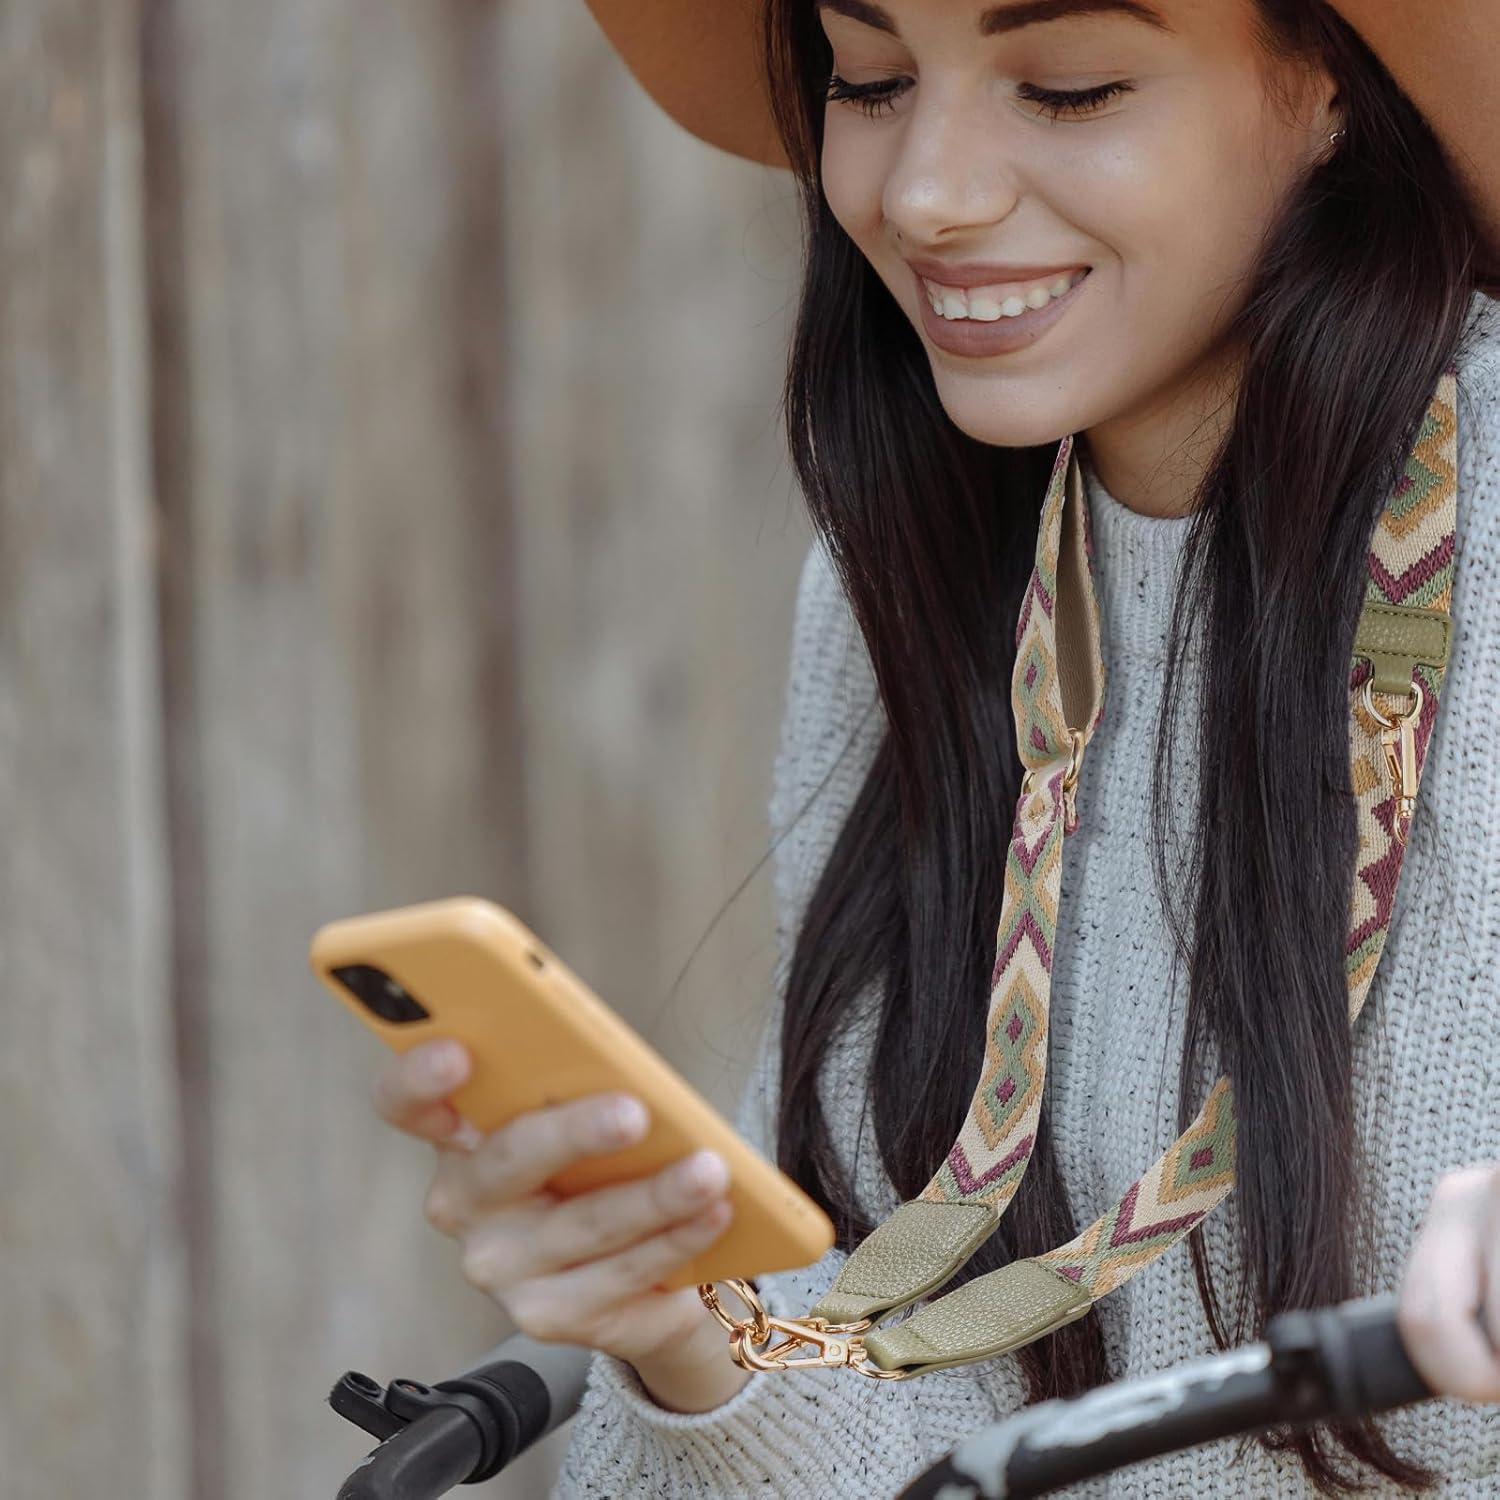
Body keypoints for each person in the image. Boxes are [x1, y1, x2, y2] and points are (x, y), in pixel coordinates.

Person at [371, 0, 1500, 1492]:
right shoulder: (915, 565)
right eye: (874, 78)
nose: (924, 195)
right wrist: (684, 1335)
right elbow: (923, 1435)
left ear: (1335, 89)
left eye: (1073, 87)